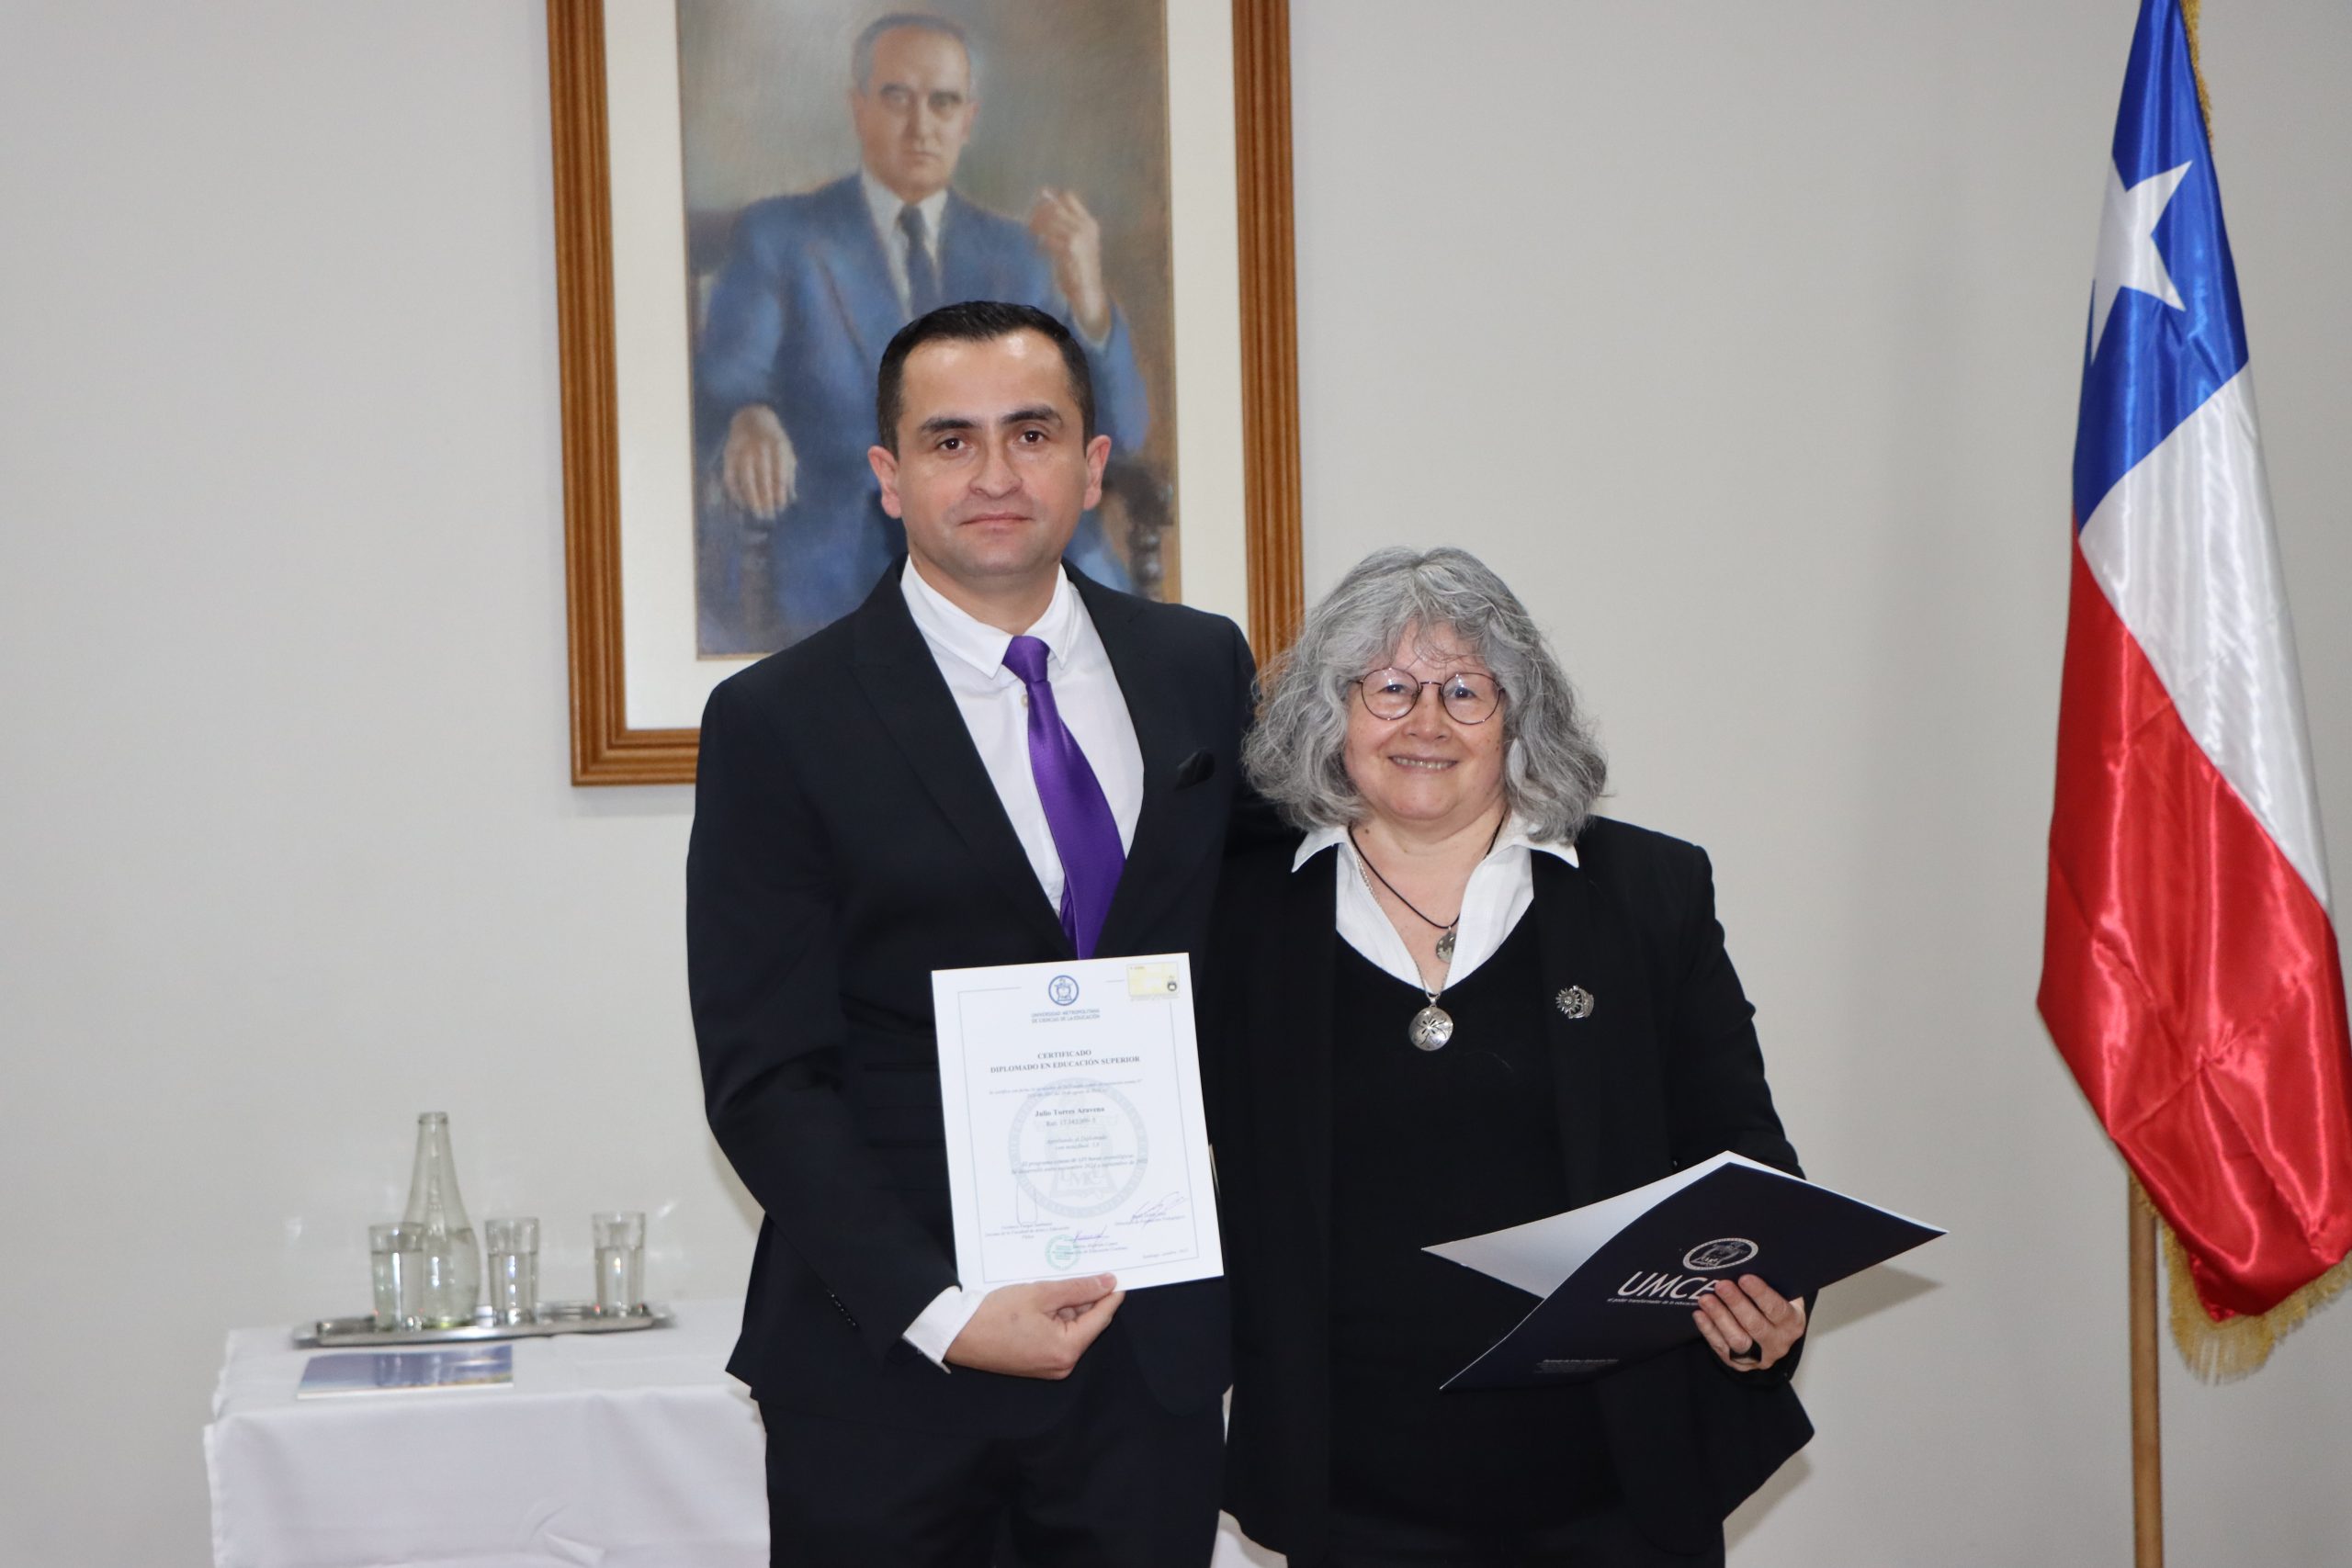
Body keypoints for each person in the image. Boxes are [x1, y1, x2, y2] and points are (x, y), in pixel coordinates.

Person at [686, 300, 1255, 1567]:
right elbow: (767, 1075)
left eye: (1031, 433)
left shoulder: (1200, 667)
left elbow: (1264, 953)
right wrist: (942, 1310)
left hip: (1148, 1349)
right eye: (950, 440)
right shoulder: (780, 720)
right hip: (887, 1363)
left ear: (1092, 465)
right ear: (887, 478)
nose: (995, 473)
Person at [1209, 547, 1814, 1567]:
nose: (1426, 723)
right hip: (1350, 1495)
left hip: (1614, 1492)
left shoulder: (1646, 894)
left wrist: (1772, 1296)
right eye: (1389, 688)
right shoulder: (1241, 913)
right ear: (1329, 713)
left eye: (1465, 691)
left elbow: (1741, 1152)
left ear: (1520, 718)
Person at [694, 11, 1149, 651]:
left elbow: (1123, 431)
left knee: (1115, 643)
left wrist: (1091, 298)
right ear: (858, 108)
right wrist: (749, 415)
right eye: (896, 98)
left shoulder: (1015, 254)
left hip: (1015, 555)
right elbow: (723, 384)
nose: (921, 126)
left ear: (969, 119)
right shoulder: (783, 236)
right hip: (840, 558)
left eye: (942, 102)